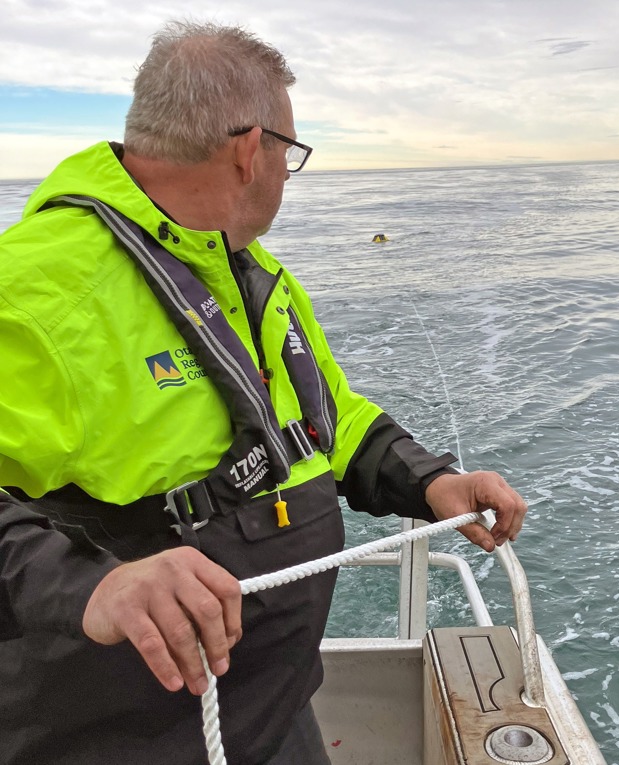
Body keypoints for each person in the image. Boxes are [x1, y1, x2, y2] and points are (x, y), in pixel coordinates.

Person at [0, 20, 527, 765]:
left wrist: (432, 480)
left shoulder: (254, 275)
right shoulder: (30, 290)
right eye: (291, 153)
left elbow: (324, 420)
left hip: (271, 707)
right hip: (114, 738)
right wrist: (96, 585)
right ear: (252, 151)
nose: (287, 172)